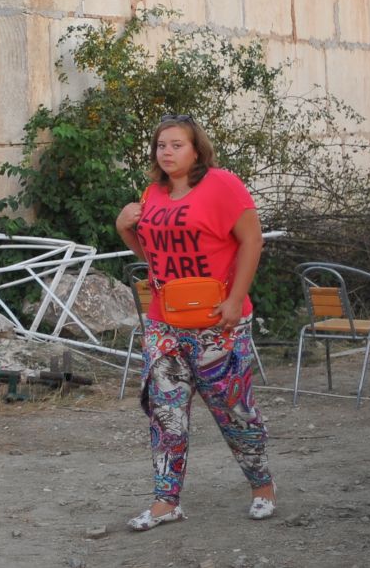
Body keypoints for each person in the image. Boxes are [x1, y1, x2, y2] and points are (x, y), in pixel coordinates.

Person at [113, 113, 276, 532]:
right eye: (161, 145)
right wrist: (123, 228)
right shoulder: (152, 193)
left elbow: (252, 240)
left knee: (234, 410)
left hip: (218, 321)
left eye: (176, 144)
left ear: (196, 148)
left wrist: (236, 300)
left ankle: (262, 488)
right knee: (166, 414)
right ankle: (166, 502)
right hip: (165, 324)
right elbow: (154, 257)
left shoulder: (222, 184)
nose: (166, 152)